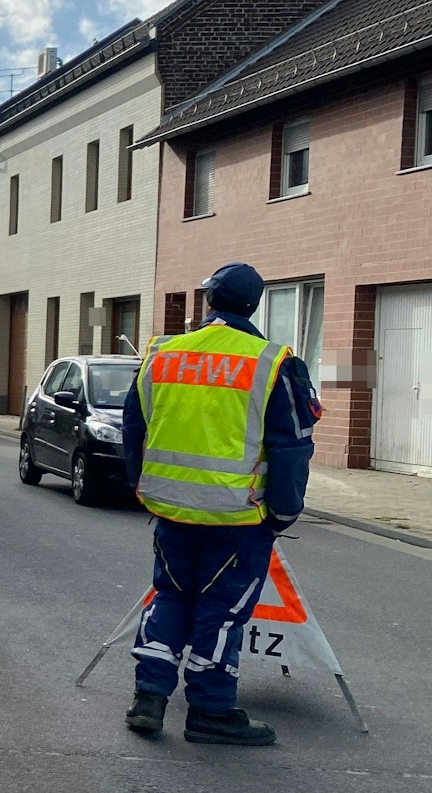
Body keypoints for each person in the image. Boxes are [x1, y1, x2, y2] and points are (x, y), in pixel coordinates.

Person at [122, 262, 321, 746]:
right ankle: (210, 711)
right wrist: (284, 512)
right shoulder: (272, 362)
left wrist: (143, 487)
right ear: (254, 305)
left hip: (171, 509)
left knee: (170, 596)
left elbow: (133, 426)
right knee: (223, 611)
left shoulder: (163, 353)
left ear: (209, 300)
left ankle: (149, 699)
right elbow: (291, 447)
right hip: (237, 516)